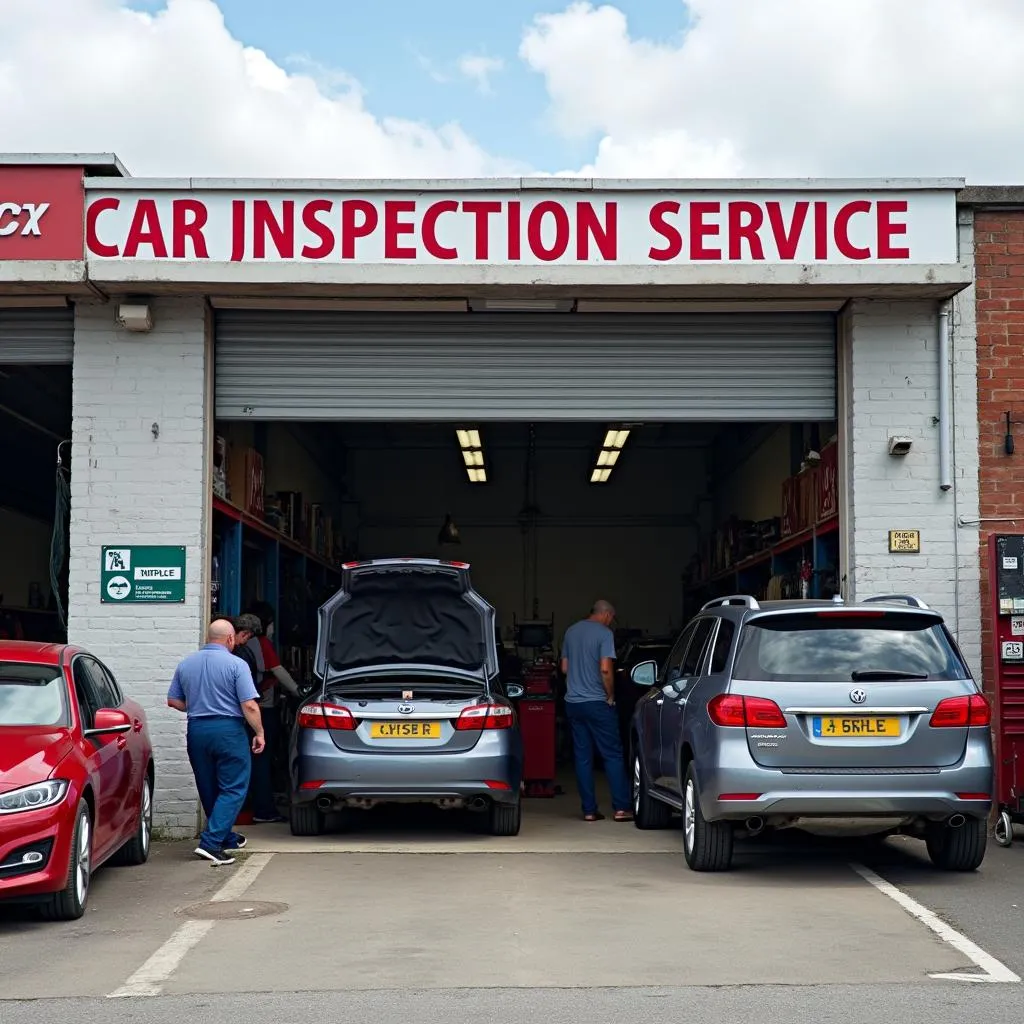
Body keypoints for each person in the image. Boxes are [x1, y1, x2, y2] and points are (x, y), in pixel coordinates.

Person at [167, 619, 266, 865]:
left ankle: (225, 837)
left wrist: (199, 705)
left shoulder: (186, 664)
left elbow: (173, 701)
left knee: (208, 786)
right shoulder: (237, 664)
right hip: (228, 730)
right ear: (231, 639)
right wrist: (260, 732)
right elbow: (250, 705)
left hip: (197, 729)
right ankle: (211, 844)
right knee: (233, 787)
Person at [560, 600, 633, 823]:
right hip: (597, 703)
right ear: (607, 615)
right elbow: (605, 668)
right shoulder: (604, 634)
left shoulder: (571, 631)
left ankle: (589, 811)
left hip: (573, 703)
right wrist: (610, 695)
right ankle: (621, 808)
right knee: (612, 754)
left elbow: (564, 668)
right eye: (612, 618)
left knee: (582, 758)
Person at [244, 601, 300, 824]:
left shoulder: (247, 645)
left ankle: (255, 806)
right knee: (263, 760)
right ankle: (264, 809)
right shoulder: (261, 643)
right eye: (272, 623)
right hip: (262, 711)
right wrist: (298, 691)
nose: (274, 628)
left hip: (251, 709)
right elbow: (279, 671)